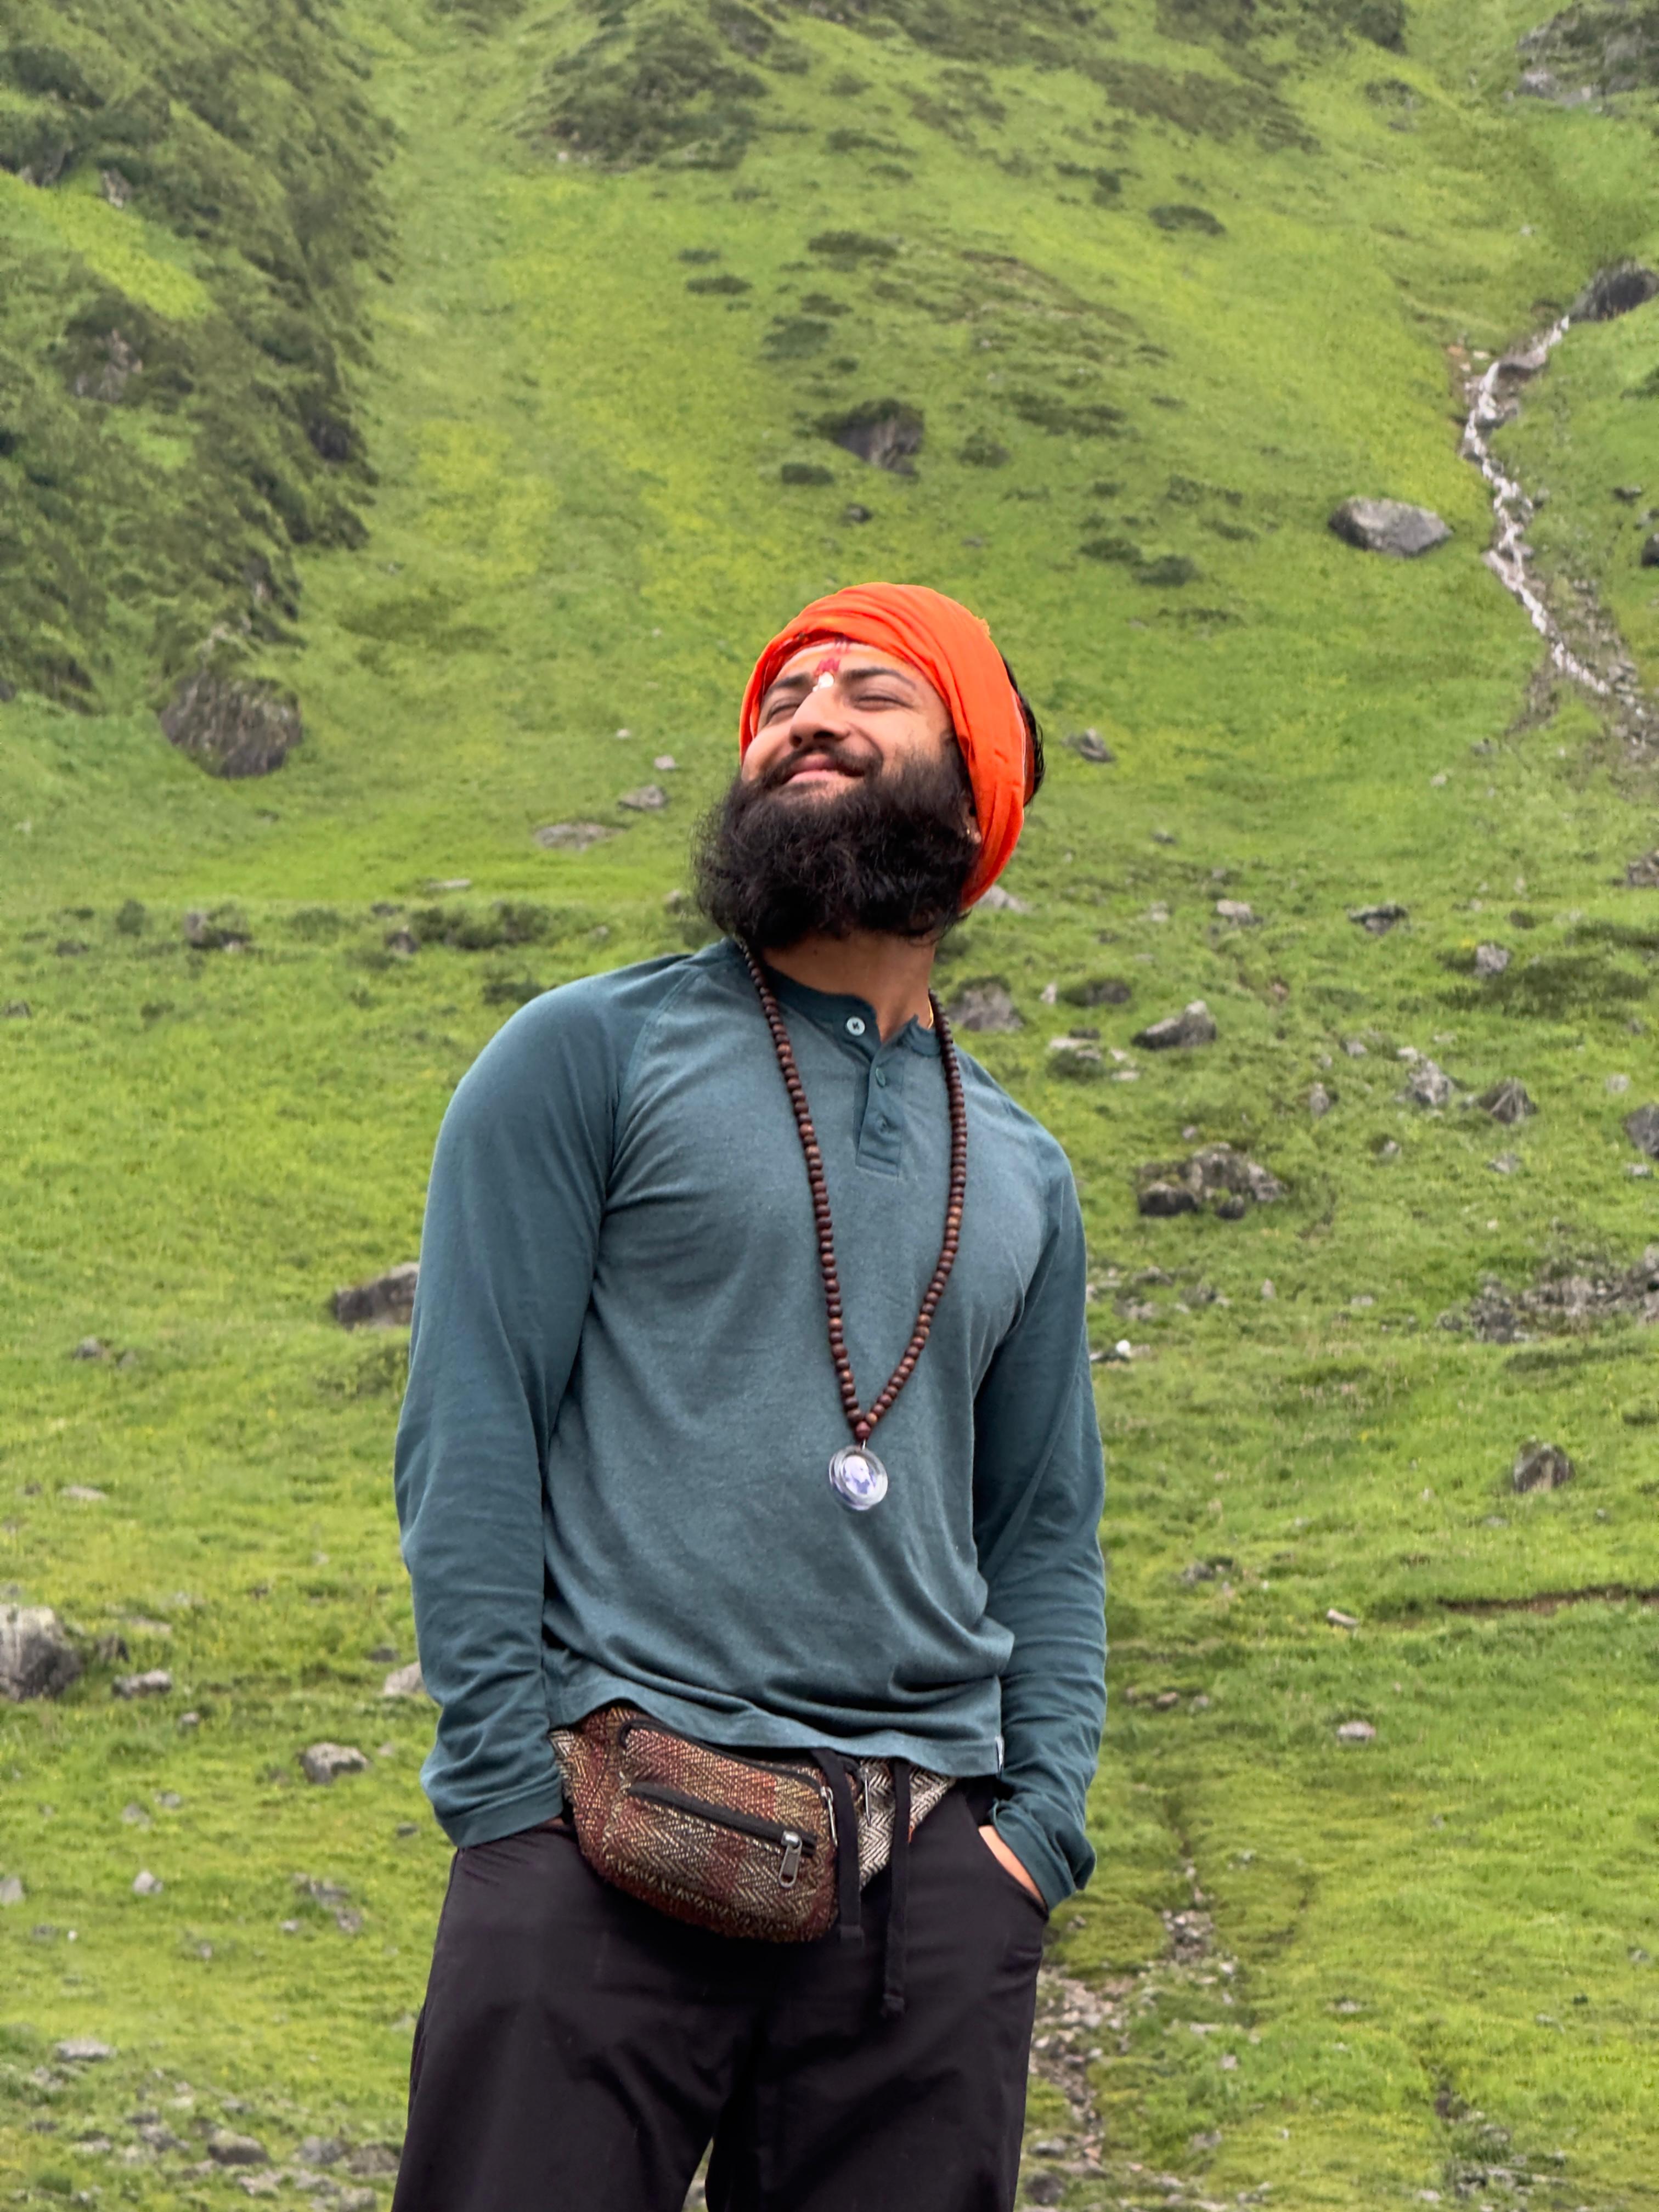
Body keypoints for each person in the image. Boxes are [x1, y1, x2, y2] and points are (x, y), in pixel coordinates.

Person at [390, 582, 1107, 2212]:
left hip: (927, 1904)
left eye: (873, 691)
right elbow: (470, 1433)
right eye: (785, 696)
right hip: (599, 1841)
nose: (808, 715)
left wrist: (1032, 1841)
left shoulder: (1026, 1175)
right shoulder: (581, 1058)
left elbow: (1046, 1532)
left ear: (978, 781)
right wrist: (508, 1805)